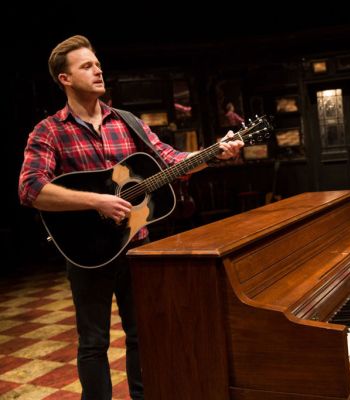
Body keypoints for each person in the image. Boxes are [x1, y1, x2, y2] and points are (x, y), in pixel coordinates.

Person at [18, 35, 243, 400]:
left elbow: (171, 161)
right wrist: (97, 202)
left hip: (136, 246)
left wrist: (216, 152)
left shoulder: (127, 122)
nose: (97, 70)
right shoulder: (49, 131)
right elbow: (30, 189)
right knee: (94, 342)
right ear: (65, 78)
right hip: (86, 253)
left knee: (143, 336)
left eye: (98, 64)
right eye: (86, 66)